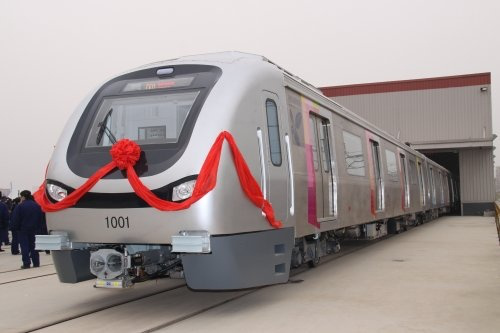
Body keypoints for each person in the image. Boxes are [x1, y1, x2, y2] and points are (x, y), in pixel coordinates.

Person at [11, 190, 42, 269]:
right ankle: (36, 262)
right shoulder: (36, 205)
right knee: (34, 246)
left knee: (24, 246)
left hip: (23, 229)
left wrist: (15, 228)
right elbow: (40, 218)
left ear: (23, 197)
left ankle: (26, 263)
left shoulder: (20, 206)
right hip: (34, 229)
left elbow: (15, 219)